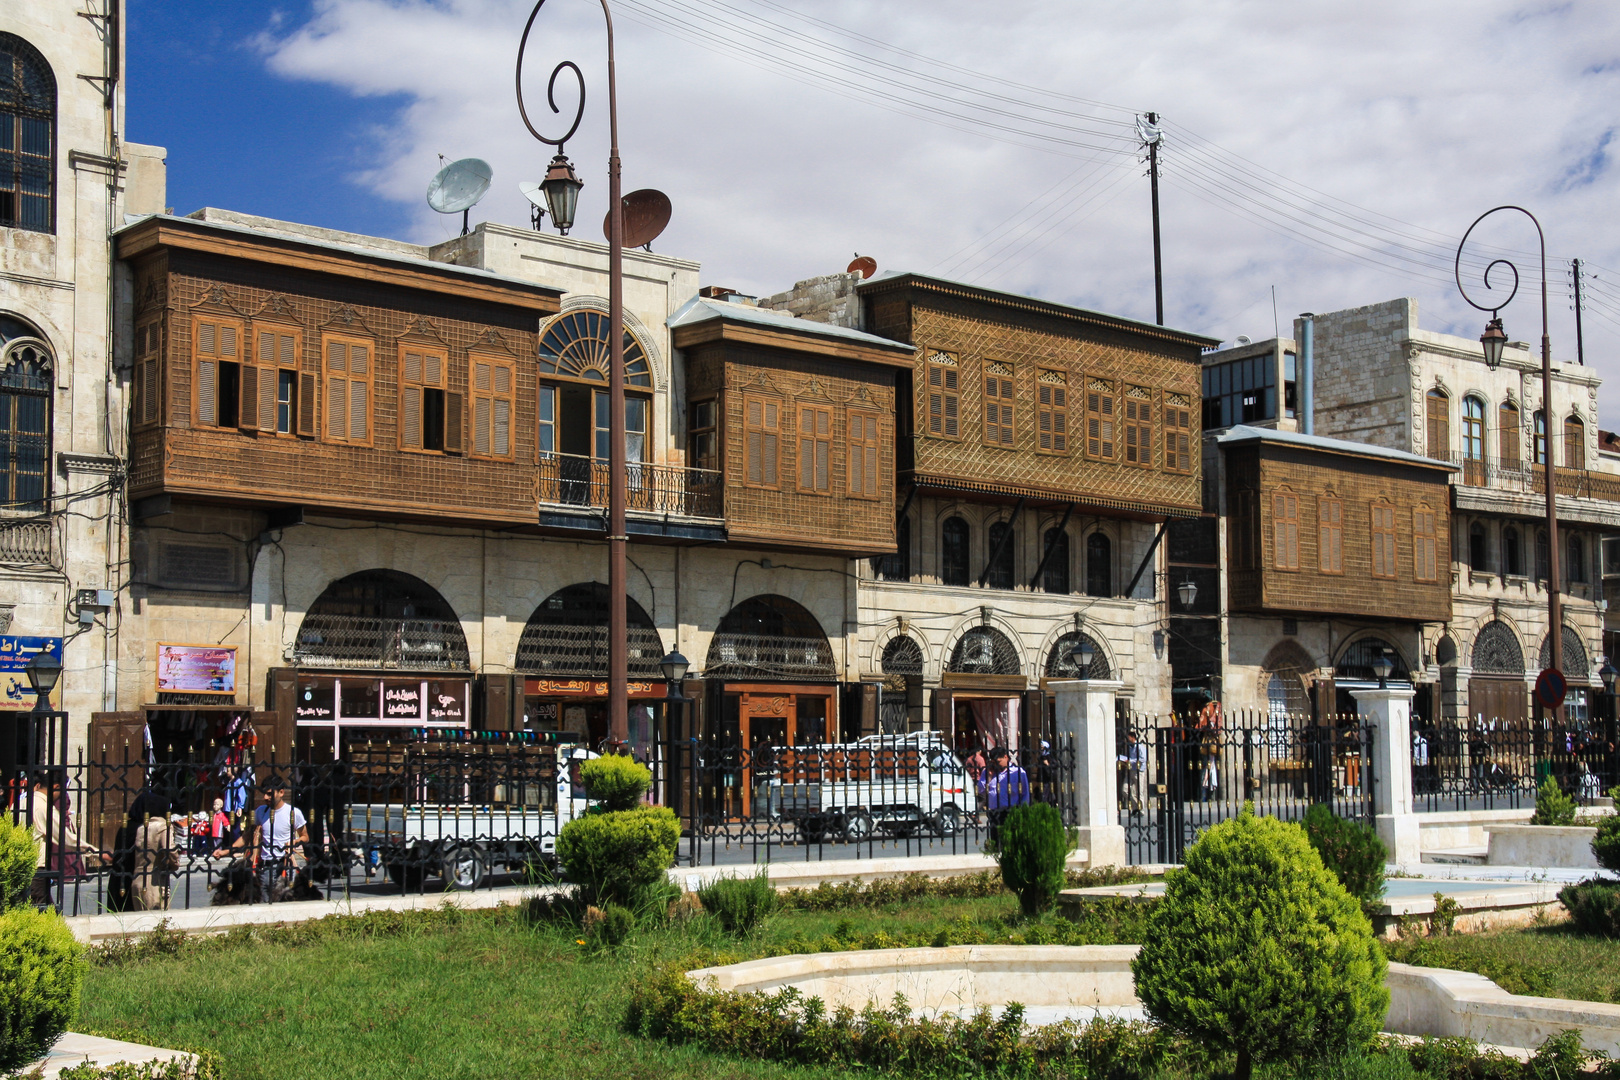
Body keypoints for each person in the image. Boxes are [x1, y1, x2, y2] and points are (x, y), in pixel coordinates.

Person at [20, 775, 109, 907]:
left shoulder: (23, 802)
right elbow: (65, 838)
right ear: (56, 787)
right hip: (36, 867)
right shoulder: (44, 807)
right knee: (42, 911)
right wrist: (96, 852)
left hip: (21, 864)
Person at [215, 776, 307, 903]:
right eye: (264, 794)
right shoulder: (261, 812)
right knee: (265, 906)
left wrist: (294, 842)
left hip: (284, 867)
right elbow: (246, 836)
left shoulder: (293, 813)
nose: (265, 798)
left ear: (281, 792)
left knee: (284, 905)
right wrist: (225, 852)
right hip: (265, 868)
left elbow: (305, 837)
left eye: (269, 794)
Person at [979, 746, 1030, 844]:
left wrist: (1023, 811)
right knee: (996, 842)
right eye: (994, 763)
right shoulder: (988, 772)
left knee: (1011, 841)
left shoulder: (1018, 772)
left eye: (998, 762)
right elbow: (980, 790)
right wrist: (989, 777)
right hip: (994, 812)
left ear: (1006, 757)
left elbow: (1025, 793)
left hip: (1011, 810)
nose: (996, 765)